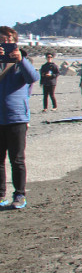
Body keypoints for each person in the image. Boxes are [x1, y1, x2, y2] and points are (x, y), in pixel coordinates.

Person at [0, 26, 39, 209]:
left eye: (9, 39)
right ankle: (1, 195)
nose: (6, 42)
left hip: (17, 117)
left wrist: (21, 60)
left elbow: (33, 77)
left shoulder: (23, 60)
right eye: (3, 39)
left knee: (17, 159)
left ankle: (19, 195)